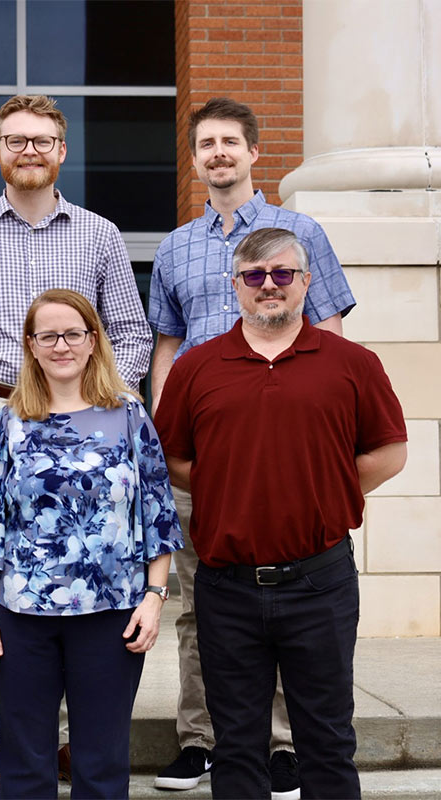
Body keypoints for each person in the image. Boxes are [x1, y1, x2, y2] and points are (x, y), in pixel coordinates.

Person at [0, 94, 153, 788]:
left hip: (85, 421)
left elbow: (132, 333)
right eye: (15, 139)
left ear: (61, 151)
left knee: (77, 570)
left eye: (43, 140)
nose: (29, 150)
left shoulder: (100, 235)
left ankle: (74, 737)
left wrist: (112, 400)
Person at [149, 97, 356, 798]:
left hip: (284, 443)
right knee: (203, 602)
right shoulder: (176, 246)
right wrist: (163, 423)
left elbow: (329, 332)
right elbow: (168, 345)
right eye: (206, 143)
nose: (218, 154)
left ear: (253, 152)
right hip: (204, 448)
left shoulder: (300, 232)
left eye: (230, 142)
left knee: (289, 594)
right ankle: (201, 740)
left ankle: (284, 747)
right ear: (196, 157)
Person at [155, 227, 407, 799]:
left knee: (325, 743)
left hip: (319, 582)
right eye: (254, 276)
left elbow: (391, 450)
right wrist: (231, 484)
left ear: (306, 282)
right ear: (236, 285)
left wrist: (326, 487)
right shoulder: (198, 366)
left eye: (283, 274)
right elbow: (172, 457)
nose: (269, 286)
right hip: (227, 585)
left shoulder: (352, 363)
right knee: (237, 748)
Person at [0, 289, 183, 799]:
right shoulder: (12, 421)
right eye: (48, 336)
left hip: (112, 613)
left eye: (73, 334)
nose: (61, 345)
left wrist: (154, 599)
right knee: (23, 765)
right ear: (31, 346)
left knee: (102, 764)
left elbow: (157, 514)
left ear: (93, 341)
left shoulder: (129, 416)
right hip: (20, 614)